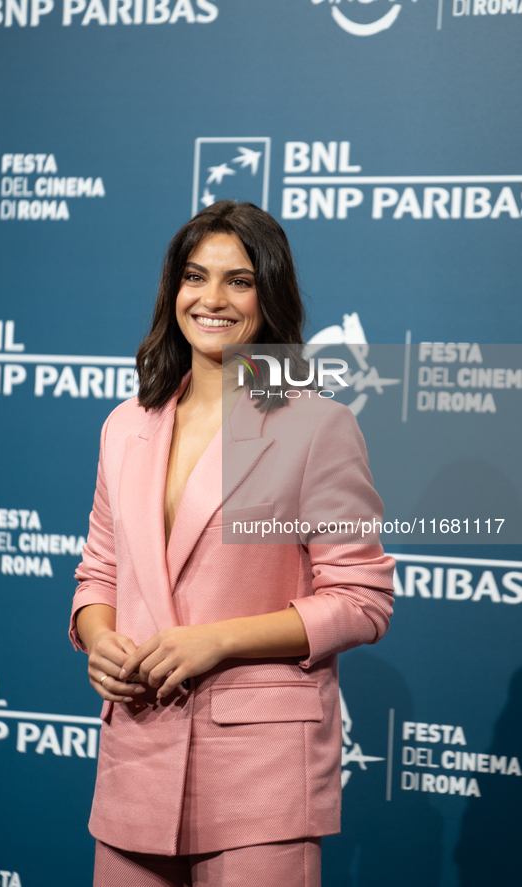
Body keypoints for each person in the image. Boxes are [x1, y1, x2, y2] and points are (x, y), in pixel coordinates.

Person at [69, 200, 395, 887]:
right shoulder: (125, 422)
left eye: (238, 281)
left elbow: (361, 600)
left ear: (268, 295)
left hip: (259, 778)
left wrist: (215, 640)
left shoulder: (315, 422)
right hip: (137, 753)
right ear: (173, 290)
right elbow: (98, 572)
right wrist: (99, 640)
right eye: (195, 276)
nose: (211, 298)